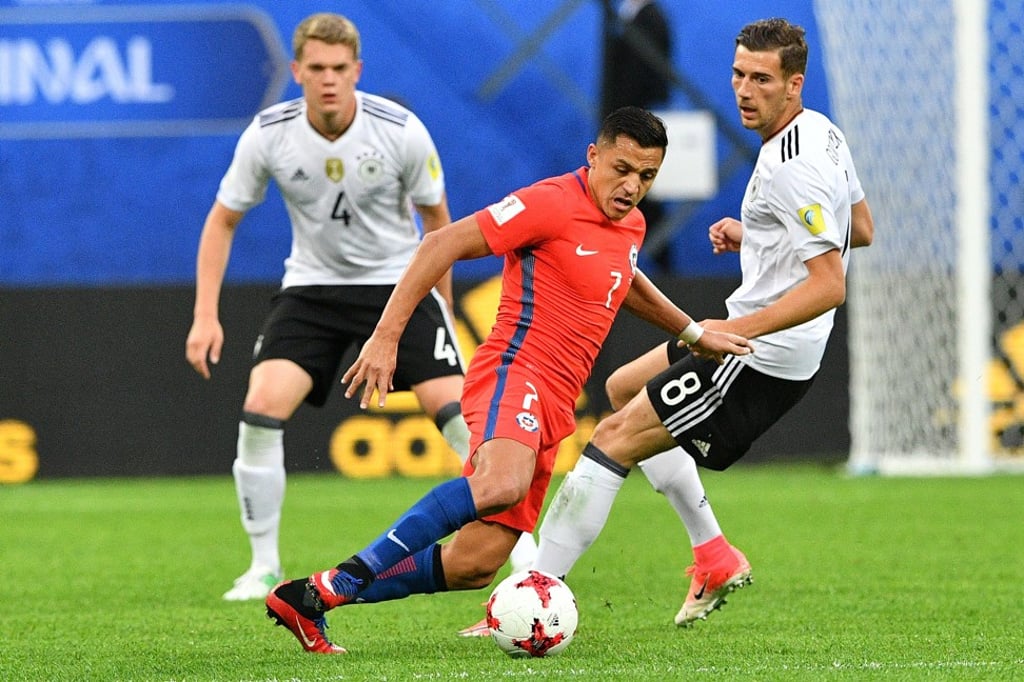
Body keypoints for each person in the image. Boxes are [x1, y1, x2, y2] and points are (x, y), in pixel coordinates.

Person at [262, 106, 753, 654]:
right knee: (502, 483)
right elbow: (439, 243)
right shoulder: (549, 202)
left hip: (557, 404)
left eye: (647, 176)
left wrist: (690, 331)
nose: (631, 186)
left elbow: (625, 277)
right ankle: (342, 580)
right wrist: (386, 336)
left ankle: (307, 599)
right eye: (621, 169)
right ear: (593, 156)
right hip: (513, 372)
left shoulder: (630, 223)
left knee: (476, 564)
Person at [531, 17, 875, 627]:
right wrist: (760, 236)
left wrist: (738, 335)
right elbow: (860, 231)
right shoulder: (822, 132)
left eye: (762, 79)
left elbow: (830, 284)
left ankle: (533, 597)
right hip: (754, 336)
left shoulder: (792, 165)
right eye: (739, 74)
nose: (745, 89)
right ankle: (713, 554)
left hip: (759, 354)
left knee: (611, 440)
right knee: (619, 390)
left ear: (793, 84)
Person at [184, 12, 536, 602]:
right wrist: (204, 314)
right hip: (311, 291)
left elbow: (437, 223)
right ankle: (263, 565)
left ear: (358, 71)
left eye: (339, 69)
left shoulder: (398, 130)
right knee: (261, 407)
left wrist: (442, 305)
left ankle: (524, 558)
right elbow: (222, 221)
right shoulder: (269, 133)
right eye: (316, 68)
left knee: (461, 419)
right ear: (296, 71)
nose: (328, 80)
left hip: (398, 285)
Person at [600, 0, 673, 263]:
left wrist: (626, 120)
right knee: (637, 198)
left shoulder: (650, 18)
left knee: (639, 197)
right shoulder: (632, 16)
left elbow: (646, 77)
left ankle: (655, 262)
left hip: (632, 127)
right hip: (625, 125)